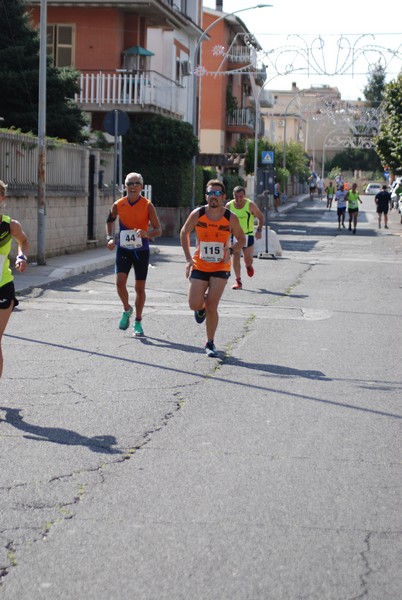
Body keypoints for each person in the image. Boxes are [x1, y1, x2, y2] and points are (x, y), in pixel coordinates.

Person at [180, 179, 246, 358]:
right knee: (194, 303)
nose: (213, 196)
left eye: (217, 193)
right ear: (206, 196)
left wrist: (231, 250)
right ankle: (200, 308)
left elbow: (242, 239)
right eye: (210, 193)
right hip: (200, 264)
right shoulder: (198, 214)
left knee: (212, 305)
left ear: (224, 197)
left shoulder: (230, 217)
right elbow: (184, 232)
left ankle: (210, 342)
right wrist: (188, 259)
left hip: (220, 266)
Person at [106, 172, 161, 336]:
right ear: (125, 186)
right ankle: (126, 309)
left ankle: (137, 321)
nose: (133, 186)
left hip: (141, 251)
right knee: (119, 283)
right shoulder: (118, 204)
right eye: (129, 183)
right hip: (123, 249)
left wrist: (147, 234)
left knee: (139, 288)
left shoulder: (147, 205)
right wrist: (110, 237)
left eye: (136, 183)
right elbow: (109, 221)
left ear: (141, 187)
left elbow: (158, 230)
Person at [0, 180, 28, 378]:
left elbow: (23, 242)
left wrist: (21, 256)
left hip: (2, 287)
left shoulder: (10, 225)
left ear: (2, 198)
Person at [225, 186, 264, 290]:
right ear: (233, 196)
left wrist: (259, 230)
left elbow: (260, 217)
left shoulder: (250, 205)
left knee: (247, 259)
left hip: (248, 234)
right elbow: (224, 221)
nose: (238, 199)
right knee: (236, 256)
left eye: (240, 196)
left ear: (244, 196)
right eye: (236, 197)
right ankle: (238, 281)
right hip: (235, 236)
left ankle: (248, 266)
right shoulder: (229, 206)